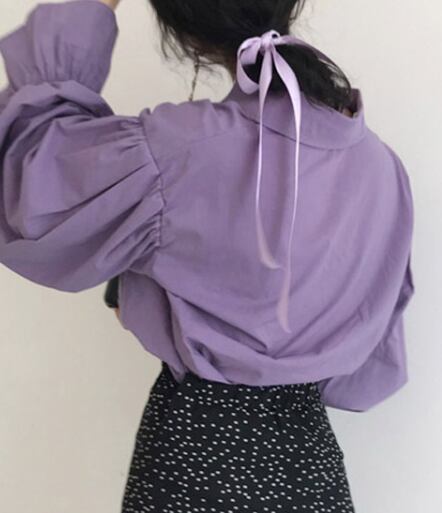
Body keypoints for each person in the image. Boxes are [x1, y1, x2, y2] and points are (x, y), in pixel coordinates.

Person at [0, 0, 415, 511]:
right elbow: (369, 363)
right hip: (311, 471)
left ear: (189, 39)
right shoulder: (381, 167)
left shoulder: (177, 150)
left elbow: (31, 176)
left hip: (194, 458)